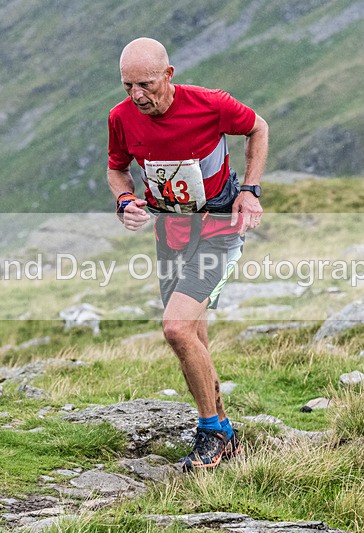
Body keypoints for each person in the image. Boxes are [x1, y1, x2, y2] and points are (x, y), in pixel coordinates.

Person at [106, 37, 268, 472]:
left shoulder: (209, 104)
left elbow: (259, 128)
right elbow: (116, 167)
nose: (137, 96)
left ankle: (212, 431)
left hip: (218, 229)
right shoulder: (121, 118)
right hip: (172, 233)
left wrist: (250, 191)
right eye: (127, 86)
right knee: (192, 333)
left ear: (168, 75)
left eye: (145, 84)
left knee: (176, 328)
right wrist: (124, 202)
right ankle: (225, 435)